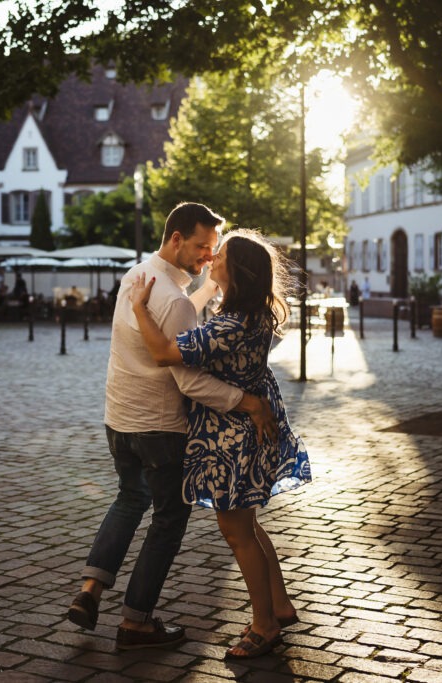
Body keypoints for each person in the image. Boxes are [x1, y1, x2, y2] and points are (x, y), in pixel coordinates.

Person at [66, 202, 277, 651]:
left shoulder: (137, 276)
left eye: (214, 249)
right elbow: (188, 378)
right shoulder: (178, 302)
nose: (207, 256)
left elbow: (182, 308)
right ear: (176, 238)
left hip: (118, 419)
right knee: (167, 520)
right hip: (161, 428)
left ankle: (90, 590)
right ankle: (137, 621)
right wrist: (247, 402)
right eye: (202, 246)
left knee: (128, 499)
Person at [129, 228, 311, 660]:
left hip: (231, 437)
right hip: (248, 430)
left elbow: (164, 353)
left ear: (239, 270)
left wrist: (140, 309)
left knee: (236, 532)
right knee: (247, 525)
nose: (212, 256)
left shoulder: (231, 324)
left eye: (222, 254)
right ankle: (280, 604)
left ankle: (264, 625)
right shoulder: (254, 314)